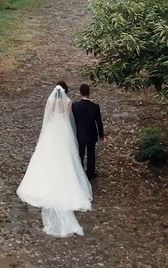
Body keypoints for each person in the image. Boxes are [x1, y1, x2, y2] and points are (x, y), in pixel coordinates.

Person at [16, 84, 92, 237]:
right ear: (65, 92)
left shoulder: (50, 102)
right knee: (66, 157)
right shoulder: (68, 102)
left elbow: (48, 117)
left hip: (52, 129)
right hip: (63, 130)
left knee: (46, 155)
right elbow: (67, 118)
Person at [72, 84, 104, 179]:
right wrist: (101, 134)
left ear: (80, 93)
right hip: (91, 134)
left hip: (80, 134)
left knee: (80, 153)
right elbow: (99, 122)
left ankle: (80, 172)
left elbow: (73, 120)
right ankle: (90, 173)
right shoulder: (95, 107)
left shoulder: (75, 106)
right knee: (91, 154)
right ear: (89, 93)